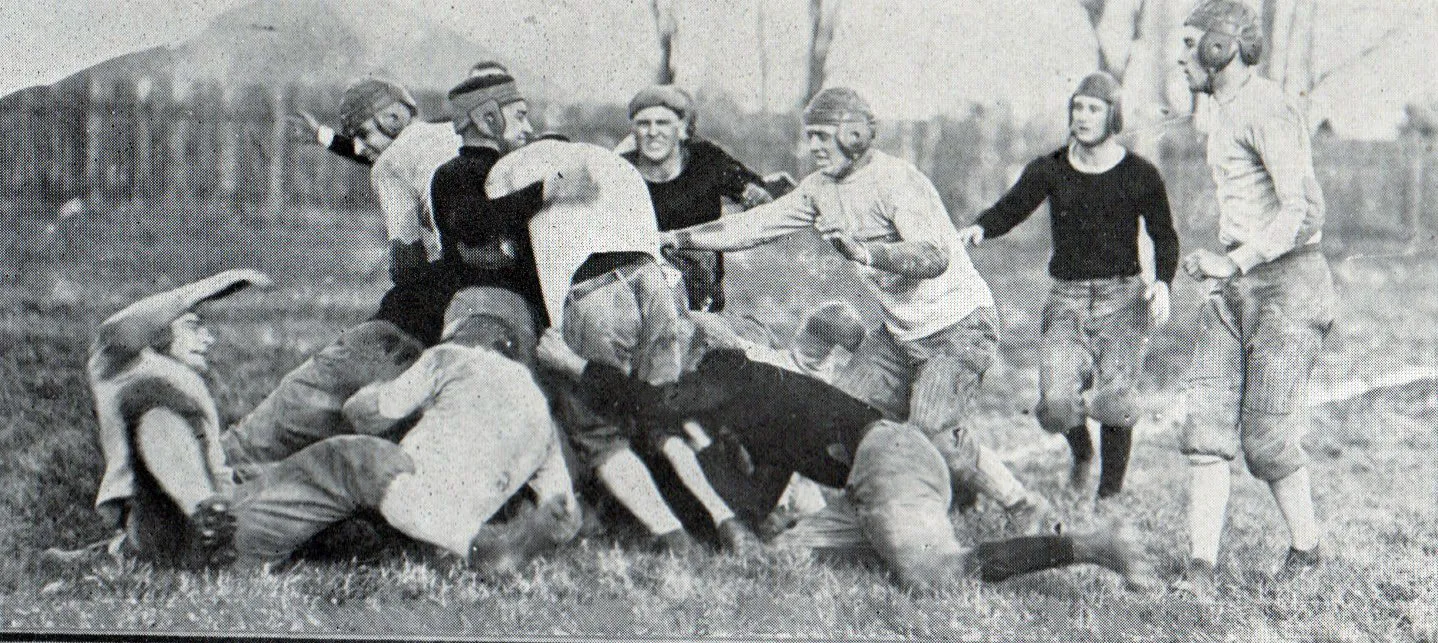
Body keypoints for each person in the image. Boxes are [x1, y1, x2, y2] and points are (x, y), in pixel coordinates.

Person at [662, 87, 1056, 534]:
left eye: (822, 136)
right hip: (898, 334)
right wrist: (675, 238)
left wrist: (868, 253)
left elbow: (933, 257)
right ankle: (916, 496)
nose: (813, 147)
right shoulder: (819, 189)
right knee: (841, 426)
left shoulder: (899, 181)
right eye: (809, 136)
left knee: (929, 435)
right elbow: (749, 227)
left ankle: (1021, 504)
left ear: (854, 135)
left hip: (960, 329)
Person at [536, 326, 1156, 593]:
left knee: (935, 576)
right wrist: (754, 522)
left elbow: (652, 401)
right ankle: (893, 539)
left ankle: (1089, 547)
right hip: (862, 482)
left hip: (891, 459)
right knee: (782, 562)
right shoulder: (748, 397)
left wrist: (573, 365)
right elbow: (775, 463)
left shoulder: (726, 373)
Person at [79, 271, 574, 572]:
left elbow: (341, 418)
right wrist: (210, 287)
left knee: (346, 465)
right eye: (192, 326)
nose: (206, 337)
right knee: (157, 402)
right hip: (180, 523)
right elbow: (120, 329)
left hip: (207, 522)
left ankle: (196, 524)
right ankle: (476, 545)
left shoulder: (185, 389)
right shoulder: (128, 368)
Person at [958, 71, 1179, 500]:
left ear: (1114, 116)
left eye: (1094, 108)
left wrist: (1163, 284)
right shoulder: (1051, 168)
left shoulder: (1140, 173)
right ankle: (1082, 455)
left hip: (1123, 299)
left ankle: (1109, 497)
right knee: (1056, 406)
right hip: (1067, 299)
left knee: (1115, 401)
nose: (1082, 116)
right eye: (1077, 107)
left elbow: (1164, 235)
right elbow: (1013, 207)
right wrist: (981, 229)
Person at [1173, 0, 1332, 597]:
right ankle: (1200, 567)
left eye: (1192, 45)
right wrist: (1228, 263)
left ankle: (1307, 551)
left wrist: (1233, 260)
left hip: (1288, 284)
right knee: (1206, 428)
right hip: (1238, 283)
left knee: (1266, 439)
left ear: (1221, 47)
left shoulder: (1266, 106)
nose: (1184, 59)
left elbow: (1301, 209)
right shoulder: (1224, 110)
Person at [620, 85, 775, 312]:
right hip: (639, 278)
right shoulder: (620, 169)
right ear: (633, 130)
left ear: (681, 129)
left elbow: (758, 197)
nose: (653, 132)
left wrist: (753, 198)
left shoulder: (706, 159)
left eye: (663, 123)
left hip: (699, 279)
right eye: (644, 123)